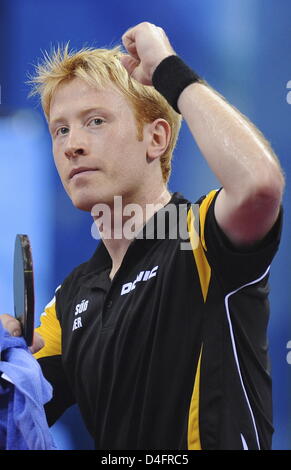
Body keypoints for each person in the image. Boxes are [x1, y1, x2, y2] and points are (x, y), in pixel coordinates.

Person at [0, 22, 284, 450]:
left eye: (94, 121)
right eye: (60, 129)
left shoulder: (199, 233)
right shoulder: (71, 300)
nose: (71, 145)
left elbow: (259, 185)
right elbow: (19, 410)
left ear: (156, 138)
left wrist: (167, 69)